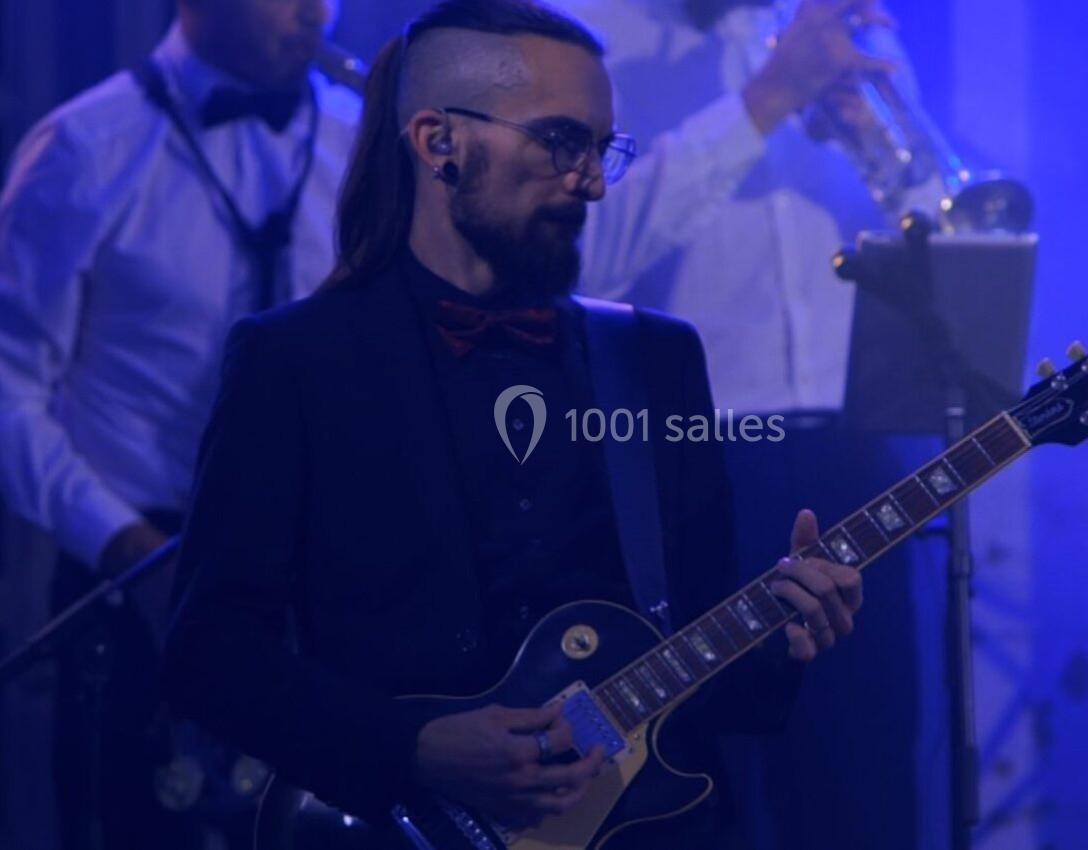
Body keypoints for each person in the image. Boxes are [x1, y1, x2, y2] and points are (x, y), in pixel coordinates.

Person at [162, 2, 862, 848]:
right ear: (438, 143)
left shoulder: (656, 359)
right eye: (564, 143)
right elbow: (210, 653)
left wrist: (781, 637)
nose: (595, 182)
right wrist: (411, 747)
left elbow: (691, 662)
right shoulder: (296, 360)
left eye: (604, 150)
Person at [548, 1, 931, 847]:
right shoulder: (590, 37)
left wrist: (875, 137)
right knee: (702, 771)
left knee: (868, 758)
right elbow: (584, 256)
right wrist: (768, 98)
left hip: (852, 440)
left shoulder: (832, 27)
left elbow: (941, 229)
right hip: (683, 451)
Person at [0, 0, 358, 846]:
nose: (318, 10)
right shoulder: (84, 145)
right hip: (138, 578)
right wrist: (127, 551)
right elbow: (7, 388)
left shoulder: (365, 144)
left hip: (327, 578)